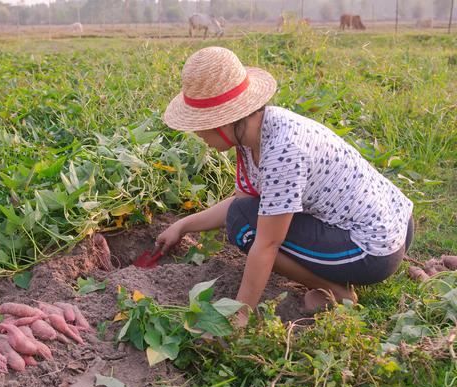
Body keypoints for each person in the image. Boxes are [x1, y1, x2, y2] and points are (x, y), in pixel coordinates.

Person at [156, 47, 414, 328]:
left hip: (373, 249)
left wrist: (240, 314)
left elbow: (266, 242)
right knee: (244, 217)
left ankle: (336, 291)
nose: (197, 134)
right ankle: (336, 277)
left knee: (245, 230)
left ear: (223, 121)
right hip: (392, 222)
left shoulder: (283, 151)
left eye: (200, 125)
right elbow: (243, 204)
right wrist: (182, 226)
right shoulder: (253, 132)